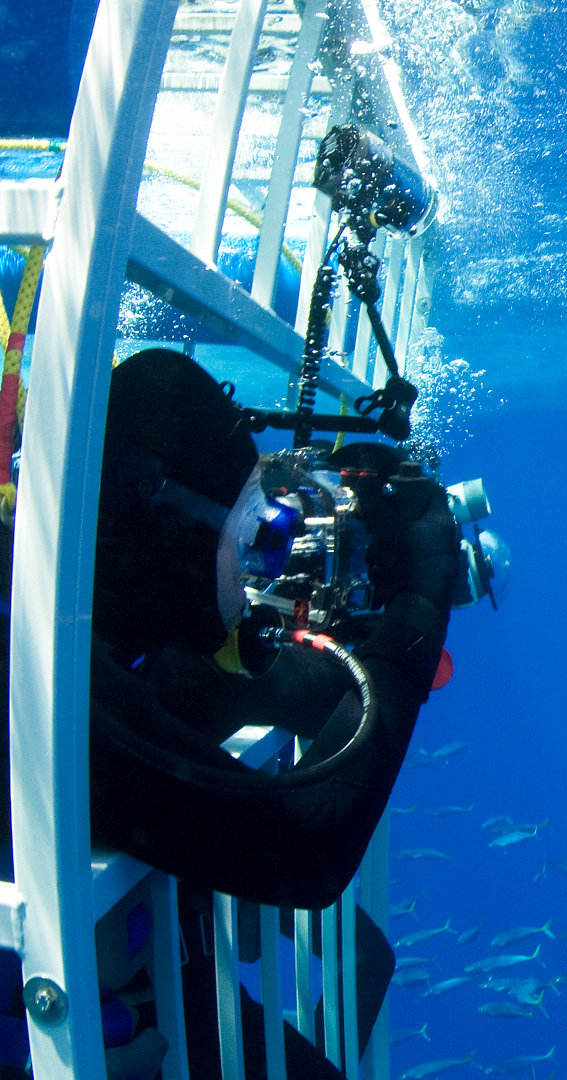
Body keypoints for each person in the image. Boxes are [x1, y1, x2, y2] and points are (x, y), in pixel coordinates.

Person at [0, 347, 461, 1080]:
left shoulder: (93, 618)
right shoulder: (40, 671)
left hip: (114, 980)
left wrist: (363, 635)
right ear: (163, 511)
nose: (263, 564)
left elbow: (227, 691)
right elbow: (303, 849)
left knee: (360, 965)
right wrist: (416, 608)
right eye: (257, 530)